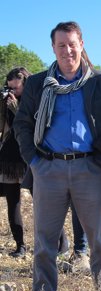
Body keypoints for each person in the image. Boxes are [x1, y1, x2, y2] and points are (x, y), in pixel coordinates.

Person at [14, 21, 101, 291]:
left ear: (82, 44)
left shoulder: (100, 82)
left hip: (90, 170)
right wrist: (35, 162)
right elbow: (23, 124)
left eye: (72, 44)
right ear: (53, 48)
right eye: (61, 45)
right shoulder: (38, 83)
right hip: (48, 169)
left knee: (99, 242)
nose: (67, 50)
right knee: (44, 242)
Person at [0, 67, 30, 257]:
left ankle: (61, 244)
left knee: (43, 201)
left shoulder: (34, 100)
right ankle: (20, 246)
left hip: (29, 156)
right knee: (13, 203)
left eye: (16, 88)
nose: (12, 92)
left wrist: (15, 108)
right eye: (9, 88)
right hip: (9, 157)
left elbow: (31, 125)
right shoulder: (6, 101)